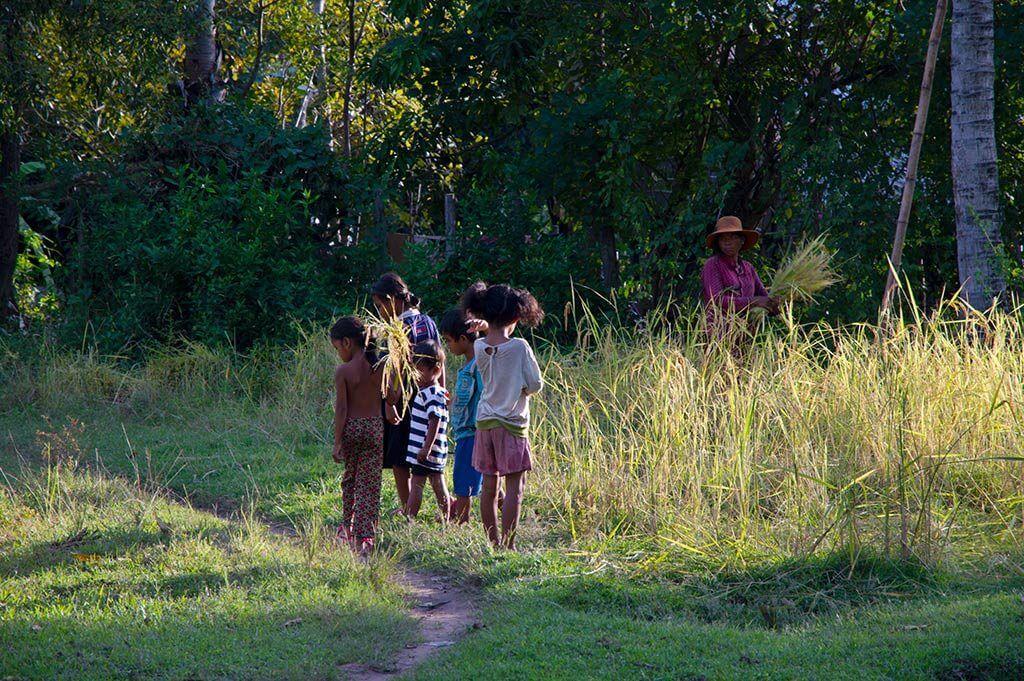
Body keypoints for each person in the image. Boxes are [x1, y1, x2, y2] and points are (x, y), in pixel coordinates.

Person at [461, 282, 544, 549]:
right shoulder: (519, 347)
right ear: (515, 317)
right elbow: (535, 384)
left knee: (489, 487)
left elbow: (490, 337)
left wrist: (484, 327)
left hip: (484, 423)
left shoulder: (478, 347)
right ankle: (508, 545)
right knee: (514, 489)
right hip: (512, 424)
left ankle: (493, 542)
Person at [370, 273, 441, 512]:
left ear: (393, 300)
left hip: (404, 401)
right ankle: (443, 506)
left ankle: (407, 507)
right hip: (429, 396)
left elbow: (397, 370)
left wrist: (390, 403)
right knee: (429, 457)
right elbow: (440, 359)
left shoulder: (398, 328)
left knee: (400, 458)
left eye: (380, 306)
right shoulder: (428, 321)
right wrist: (441, 389)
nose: (380, 311)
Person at [329, 316, 384, 556]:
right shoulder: (380, 366)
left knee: (350, 479)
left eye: (337, 347)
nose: (338, 352)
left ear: (347, 343)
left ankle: (347, 528)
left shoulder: (344, 371)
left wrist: (337, 441)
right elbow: (391, 397)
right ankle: (366, 535)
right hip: (375, 428)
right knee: (370, 484)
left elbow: (341, 409)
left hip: (352, 428)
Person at [700, 216, 780, 345]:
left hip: (746, 336)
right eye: (723, 239)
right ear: (718, 243)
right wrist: (754, 301)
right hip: (718, 337)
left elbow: (763, 296)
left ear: (742, 240)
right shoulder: (713, 265)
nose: (727, 242)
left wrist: (774, 303)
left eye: (732, 237)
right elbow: (716, 300)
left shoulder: (748, 268)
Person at [439, 308, 484, 524]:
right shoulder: (469, 364)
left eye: (449, 341)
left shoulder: (478, 366)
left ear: (463, 338)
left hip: (472, 431)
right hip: (469, 431)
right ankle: (507, 509)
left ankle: (462, 520)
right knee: (483, 477)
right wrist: (453, 402)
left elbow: (483, 396)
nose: (448, 345)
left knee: (464, 479)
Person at [403, 340, 452, 521]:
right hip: (431, 449)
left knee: (417, 484)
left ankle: (410, 519)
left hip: (425, 450)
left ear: (436, 370)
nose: (416, 375)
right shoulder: (435, 392)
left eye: (420, 370)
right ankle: (445, 518)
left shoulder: (431, 392)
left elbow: (435, 420)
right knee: (437, 482)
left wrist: (426, 448)